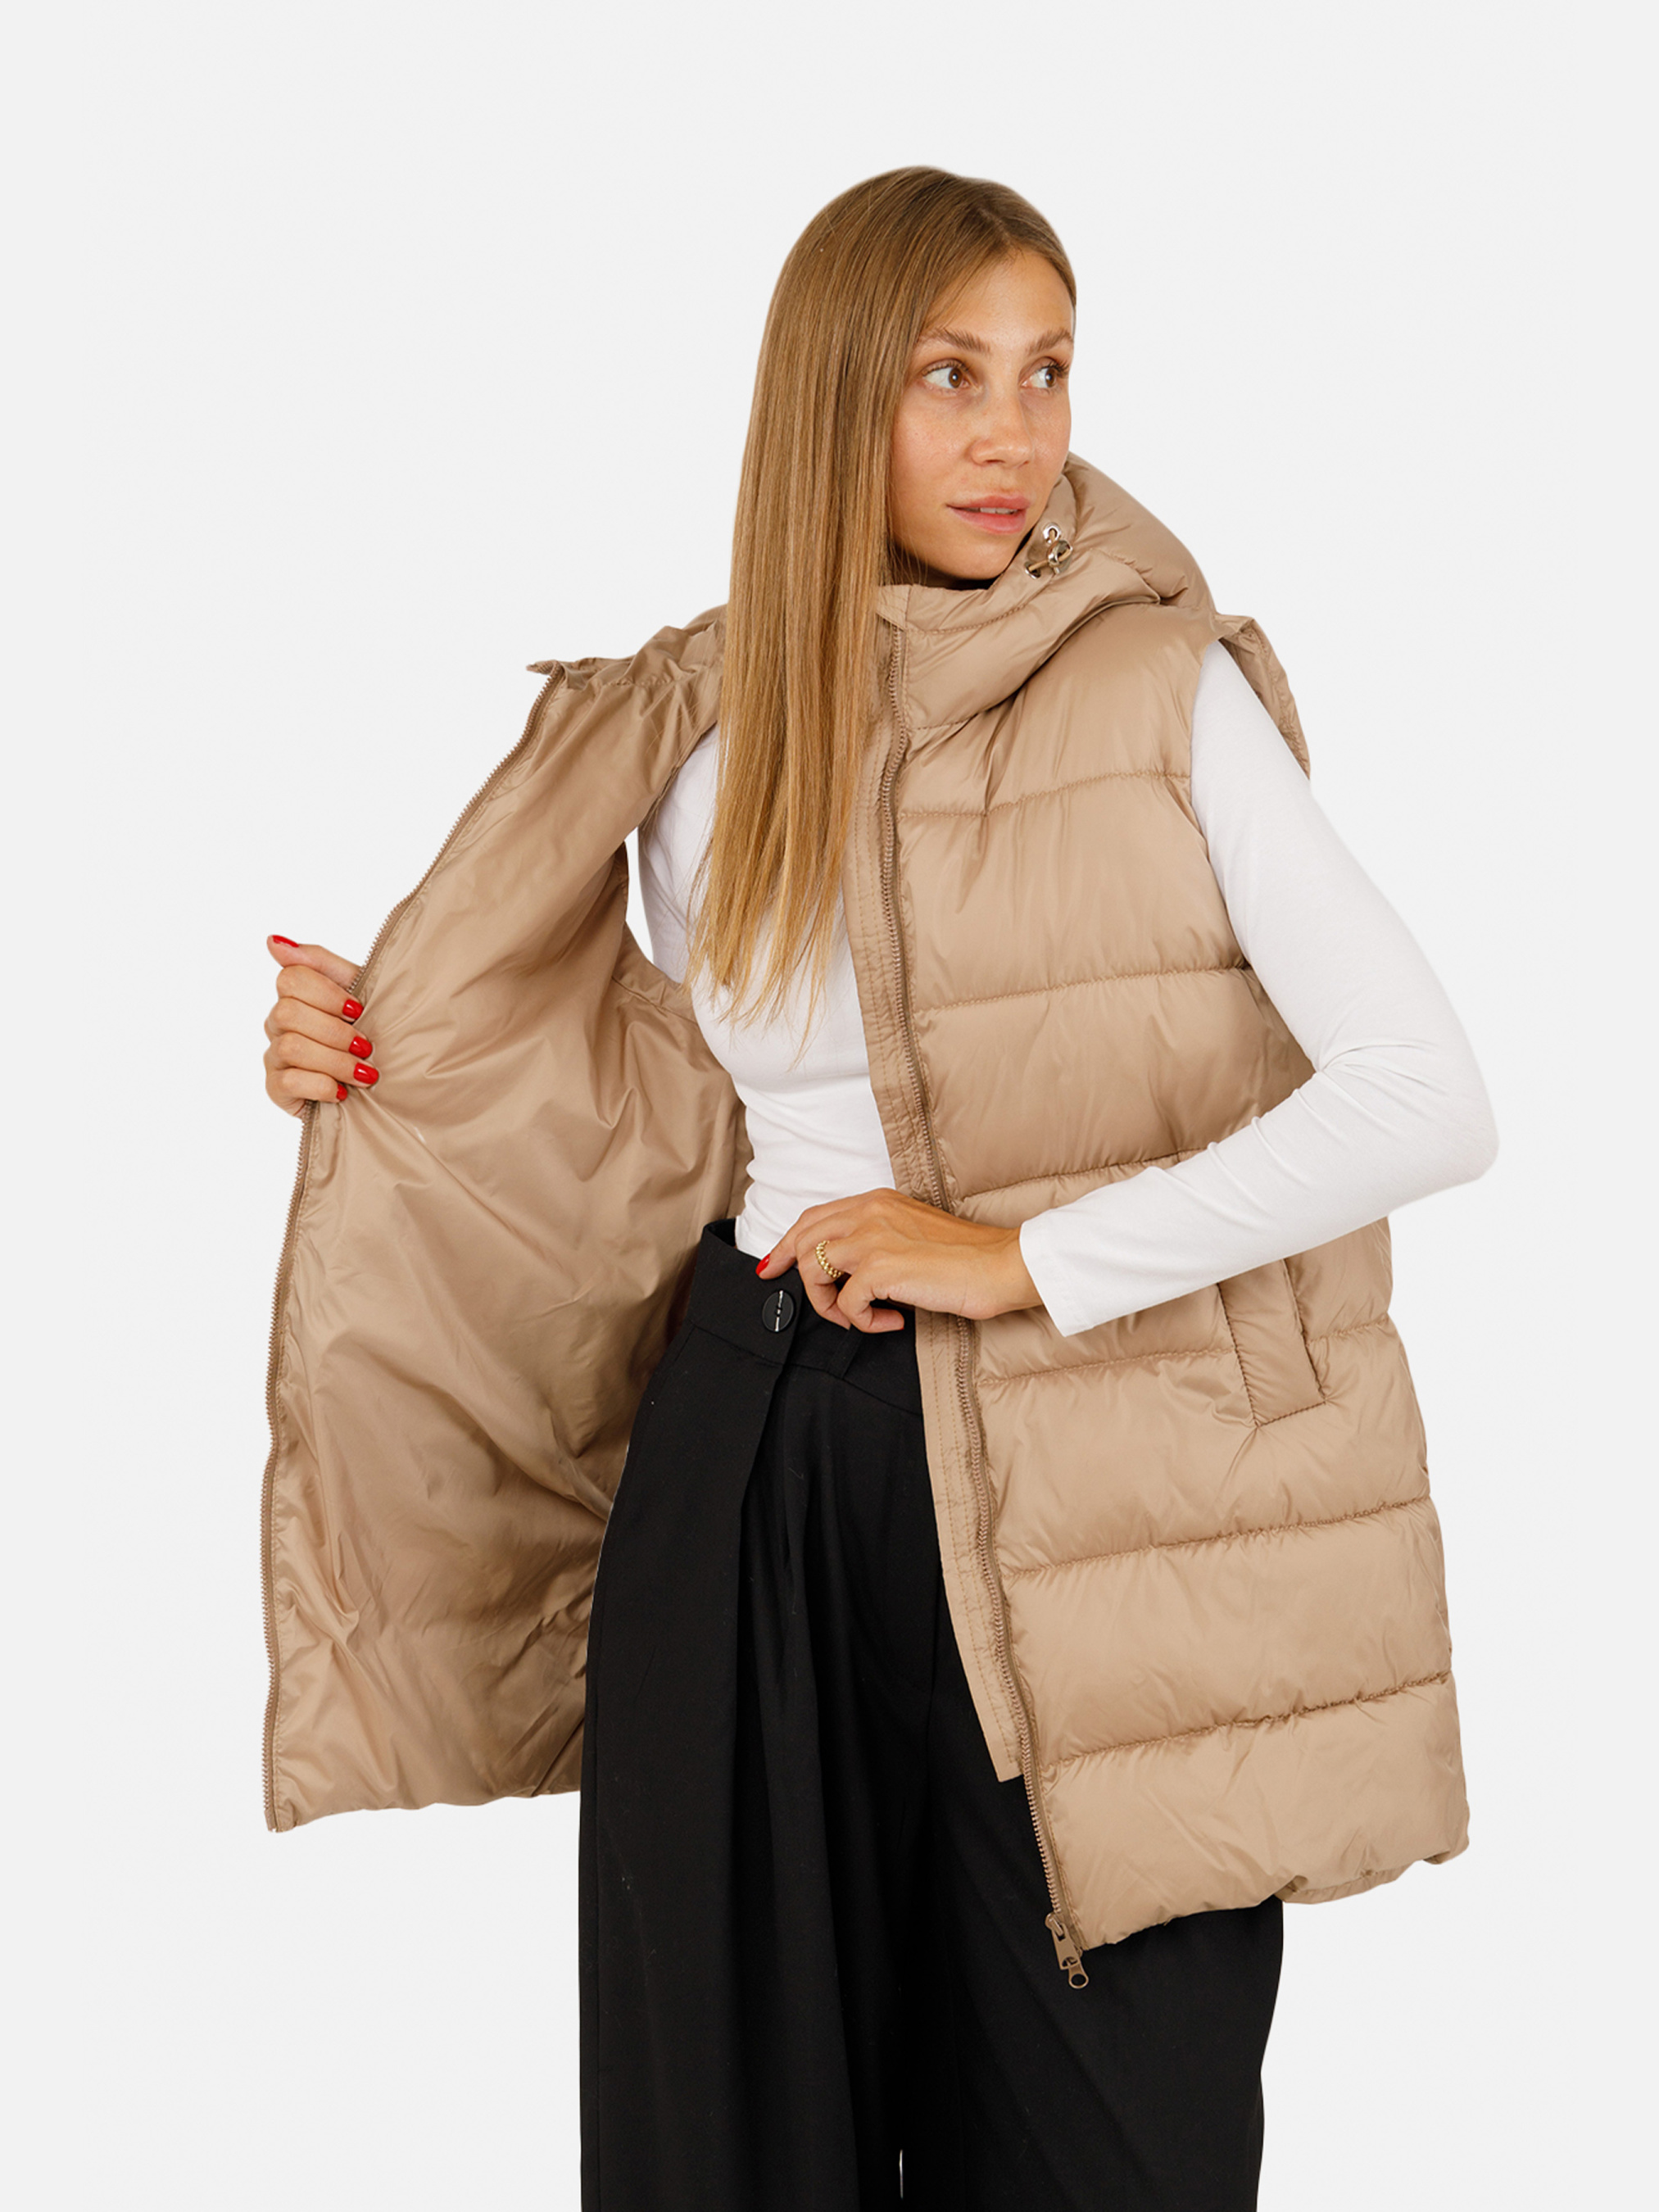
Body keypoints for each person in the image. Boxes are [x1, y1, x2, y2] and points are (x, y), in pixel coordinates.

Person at [257, 169, 1498, 2210]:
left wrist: (1020, 1260)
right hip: (750, 1460)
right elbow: (644, 1103)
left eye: (1045, 372)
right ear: (833, 400)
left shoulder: (1157, 694)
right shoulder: (690, 721)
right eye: (949, 377)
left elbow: (1423, 1096)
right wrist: (369, 1056)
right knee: (725, 2148)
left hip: (1087, 1500)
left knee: (1113, 2153)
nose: (1013, 434)